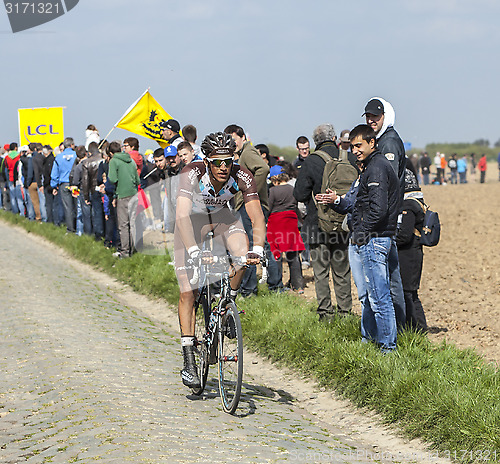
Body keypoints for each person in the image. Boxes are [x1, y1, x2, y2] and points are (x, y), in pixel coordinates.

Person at [175, 132, 265, 388]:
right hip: (192, 221)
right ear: (207, 161)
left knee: (243, 254)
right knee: (187, 290)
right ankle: (189, 358)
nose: (224, 167)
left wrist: (257, 249)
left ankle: (226, 306)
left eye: (228, 160)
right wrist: (192, 250)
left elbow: (257, 216)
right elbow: (181, 215)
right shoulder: (192, 172)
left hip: (223, 217)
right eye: (218, 162)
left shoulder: (241, 174)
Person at [293, 123, 353, 321]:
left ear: (315, 142)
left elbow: (300, 193)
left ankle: (325, 314)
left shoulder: (311, 161)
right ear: (335, 138)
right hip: (343, 224)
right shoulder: (349, 157)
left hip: (317, 225)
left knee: (320, 272)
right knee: (342, 272)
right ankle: (345, 313)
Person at [349, 124, 400, 351]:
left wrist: (361, 233)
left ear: (372, 143)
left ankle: (388, 348)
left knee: (380, 299)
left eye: (359, 145)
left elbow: (379, 209)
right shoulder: (372, 166)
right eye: (352, 147)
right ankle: (372, 341)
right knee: (375, 297)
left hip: (375, 239)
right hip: (376, 237)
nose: (355, 150)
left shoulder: (377, 168)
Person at [224, 124, 280, 296]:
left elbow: (263, 169)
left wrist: (251, 193)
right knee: (257, 246)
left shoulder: (248, 152)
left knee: (251, 247)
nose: (232, 144)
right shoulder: (242, 153)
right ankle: (270, 286)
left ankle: (251, 289)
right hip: (247, 206)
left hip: (251, 207)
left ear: (242, 137)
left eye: (234, 140)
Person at [396, 168, 428, 332]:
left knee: (408, 293)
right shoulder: (419, 202)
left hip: (408, 254)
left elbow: (404, 235)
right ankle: (417, 328)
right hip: (415, 252)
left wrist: (390, 241)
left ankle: (418, 329)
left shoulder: (408, 205)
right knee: (411, 292)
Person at [267, 164, 305, 292]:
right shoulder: (292, 189)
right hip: (291, 223)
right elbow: (296, 207)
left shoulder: (272, 191)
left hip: (276, 224)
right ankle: (298, 285)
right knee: (293, 255)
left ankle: (278, 284)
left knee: (276, 254)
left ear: (275, 178)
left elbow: (268, 208)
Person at [107, 141, 140, 258]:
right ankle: (134, 250)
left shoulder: (113, 161)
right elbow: (138, 180)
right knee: (133, 224)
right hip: (134, 194)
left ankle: (125, 252)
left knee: (123, 225)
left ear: (110, 153)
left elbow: (112, 179)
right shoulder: (131, 160)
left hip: (122, 195)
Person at [51, 138, 77, 233]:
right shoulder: (76, 155)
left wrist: (54, 185)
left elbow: (54, 173)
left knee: (67, 207)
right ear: (72, 145)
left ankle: (70, 229)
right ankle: (78, 227)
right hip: (74, 184)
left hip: (63, 184)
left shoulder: (58, 157)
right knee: (76, 205)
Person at [81, 142, 104, 240]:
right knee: (106, 212)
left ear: (89, 152)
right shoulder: (104, 159)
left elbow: (85, 181)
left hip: (94, 190)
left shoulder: (86, 162)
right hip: (104, 188)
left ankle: (98, 235)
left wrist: (86, 196)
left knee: (97, 213)